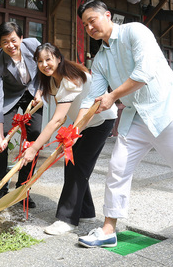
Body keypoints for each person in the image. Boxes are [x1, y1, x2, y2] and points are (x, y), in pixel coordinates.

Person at [75, 0, 173, 259]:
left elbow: (143, 73)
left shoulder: (136, 31)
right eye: (85, 24)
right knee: (118, 168)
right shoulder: (100, 59)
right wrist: (73, 131)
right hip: (136, 116)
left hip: (167, 110)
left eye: (93, 20)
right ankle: (108, 230)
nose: (90, 27)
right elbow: (93, 99)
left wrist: (112, 97)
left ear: (108, 15)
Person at [19, 43, 117, 235]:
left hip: (99, 121)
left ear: (58, 58)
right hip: (82, 123)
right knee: (72, 164)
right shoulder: (54, 80)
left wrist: (33, 148)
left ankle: (67, 219)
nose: (44, 64)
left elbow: (56, 120)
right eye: (40, 61)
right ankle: (85, 211)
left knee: (78, 165)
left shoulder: (69, 79)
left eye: (48, 59)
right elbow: (62, 117)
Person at [0, 21, 43, 210]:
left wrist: (40, 91)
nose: (10, 45)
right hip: (10, 97)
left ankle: (22, 190)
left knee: (34, 135)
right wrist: (0, 134)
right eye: (5, 42)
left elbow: (46, 68)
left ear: (20, 38)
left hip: (33, 92)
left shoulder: (34, 45)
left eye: (13, 40)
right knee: (0, 141)